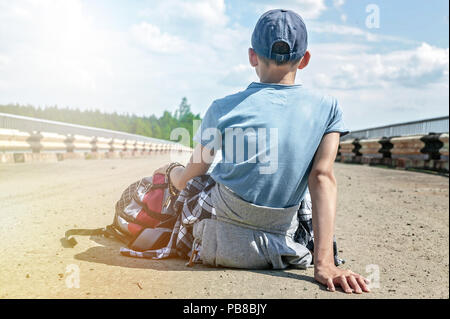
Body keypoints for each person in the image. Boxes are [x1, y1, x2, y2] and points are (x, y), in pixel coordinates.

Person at [154, 9, 370, 294]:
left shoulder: (222, 107)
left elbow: (193, 176)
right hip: (283, 236)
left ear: (252, 56)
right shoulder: (329, 108)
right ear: (305, 60)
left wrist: (171, 173)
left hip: (222, 233)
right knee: (302, 194)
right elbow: (321, 177)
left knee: (187, 180)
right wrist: (324, 265)